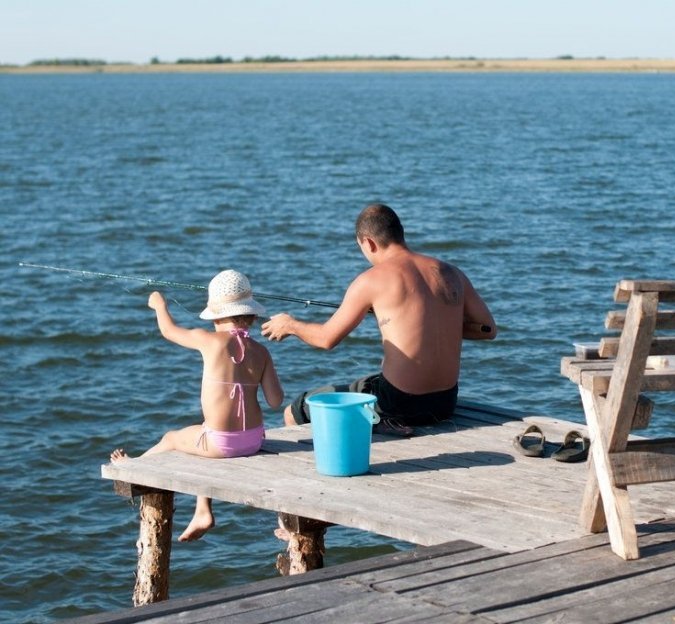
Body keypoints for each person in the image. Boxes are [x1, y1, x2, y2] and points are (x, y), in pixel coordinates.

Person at [261, 203, 496, 435]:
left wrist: (290, 325)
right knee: (370, 383)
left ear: (368, 243)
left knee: (295, 411)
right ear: (400, 233)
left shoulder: (371, 280)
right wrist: (440, 323)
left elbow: (326, 339)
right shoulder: (451, 272)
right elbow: (488, 329)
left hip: (397, 404)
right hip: (445, 402)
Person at [111, 270, 284, 541]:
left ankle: (134, 468)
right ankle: (202, 509)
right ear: (251, 315)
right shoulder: (262, 352)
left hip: (221, 443)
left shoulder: (210, 341)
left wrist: (159, 305)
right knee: (205, 436)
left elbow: (169, 331)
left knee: (172, 438)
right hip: (253, 440)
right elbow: (276, 401)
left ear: (216, 315)